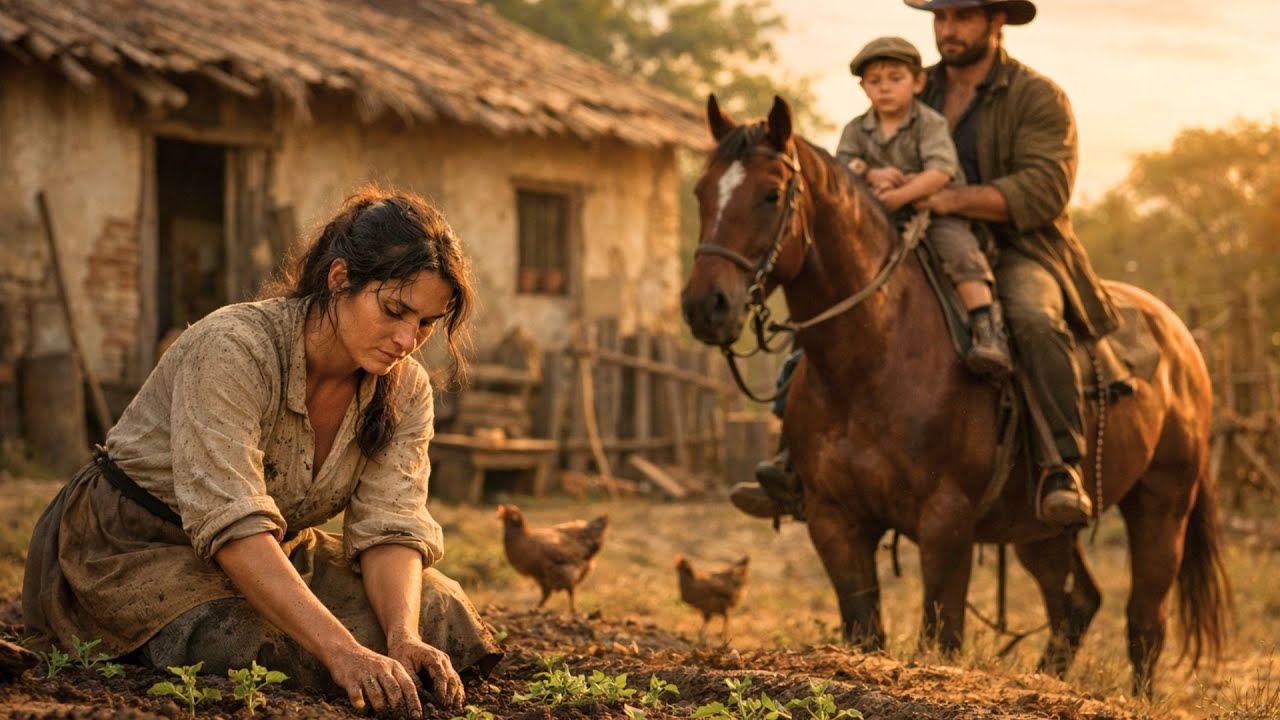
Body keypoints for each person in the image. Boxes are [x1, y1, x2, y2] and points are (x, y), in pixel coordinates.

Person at [23, 187, 502, 718]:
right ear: (339, 278)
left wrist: (402, 636)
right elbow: (233, 525)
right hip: (133, 544)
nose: (407, 338)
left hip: (272, 548)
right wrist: (344, 652)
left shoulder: (405, 389)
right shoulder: (233, 348)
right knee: (245, 638)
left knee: (440, 610)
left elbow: (390, 526)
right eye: (394, 310)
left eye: (427, 324)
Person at [730, 34, 1014, 522]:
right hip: (874, 225)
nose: (885, 89)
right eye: (875, 81)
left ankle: (985, 326)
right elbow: (841, 179)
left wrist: (899, 190)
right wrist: (863, 174)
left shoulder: (928, 123)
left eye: (895, 79)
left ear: (918, 83)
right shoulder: (857, 129)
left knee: (962, 253)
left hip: (930, 213)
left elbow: (942, 173)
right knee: (825, 328)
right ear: (863, 88)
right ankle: (791, 455)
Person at [908, 0, 1119, 525]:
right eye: (939, 19)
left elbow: (1045, 188)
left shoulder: (1038, 96)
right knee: (849, 298)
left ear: (997, 22)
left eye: (961, 18)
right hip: (920, 240)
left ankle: (1060, 467)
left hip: (1020, 247)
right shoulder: (914, 87)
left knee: (1031, 319)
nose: (947, 30)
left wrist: (951, 199)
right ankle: (800, 460)